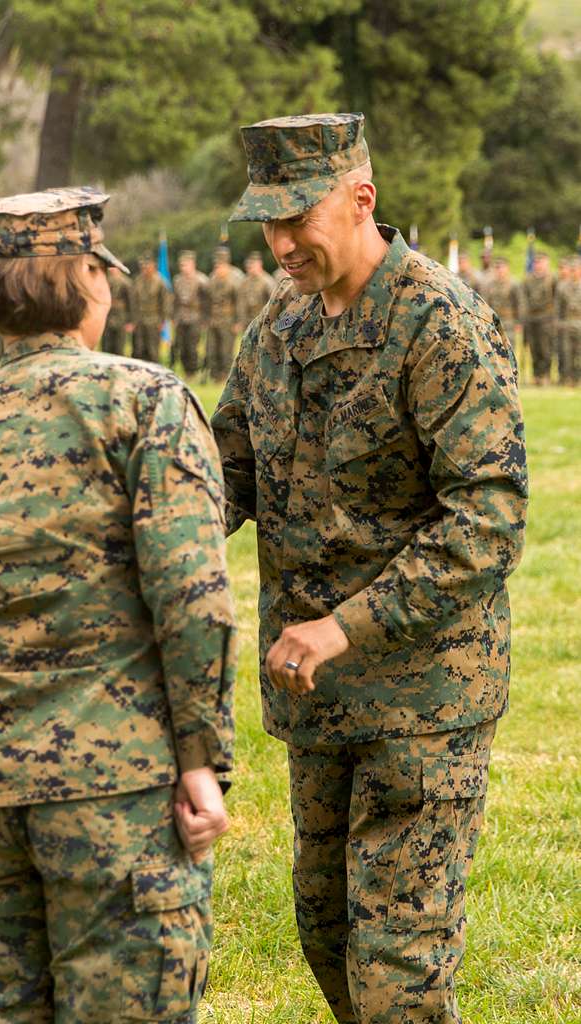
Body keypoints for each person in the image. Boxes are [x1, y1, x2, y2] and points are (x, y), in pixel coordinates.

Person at [211, 112, 528, 1024]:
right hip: (317, 698)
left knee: (397, 973)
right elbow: (228, 466)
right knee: (327, 936)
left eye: (295, 218)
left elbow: (489, 518)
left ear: (361, 199)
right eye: (264, 223)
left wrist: (345, 625)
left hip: (421, 698)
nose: (278, 244)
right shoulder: (279, 322)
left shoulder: (441, 323)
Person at [0, 186, 236, 1024]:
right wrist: (201, 760)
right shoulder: (146, 402)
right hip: (113, 793)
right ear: (87, 276)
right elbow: (192, 598)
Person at [172, 250, 209, 375]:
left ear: (193, 264)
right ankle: (185, 369)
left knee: (192, 346)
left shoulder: (201, 280)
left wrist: (205, 319)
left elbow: (206, 301)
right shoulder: (177, 280)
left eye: (186, 264)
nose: (183, 268)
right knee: (181, 346)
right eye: (181, 265)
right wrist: (174, 317)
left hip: (196, 317)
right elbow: (175, 300)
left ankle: (192, 370)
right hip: (181, 317)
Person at [521, 251, 556, 385]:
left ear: (547, 263)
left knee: (545, 348)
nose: (538, 265)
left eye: (541, 262)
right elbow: (524, 298)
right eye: (536, 262)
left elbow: (556, 298)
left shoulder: (552, 278)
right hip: (531, 318)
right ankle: (536, 375)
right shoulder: (528, 279)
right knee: (533, 348)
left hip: (546, 318)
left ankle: (545, 374)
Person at [205, 247, 240, 382]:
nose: (218, 266)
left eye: (221, 264)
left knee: (226, 350)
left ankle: (226, 375)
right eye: (217, 264)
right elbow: (208, 300)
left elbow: (239, 301)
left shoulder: (235, 278)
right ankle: (215, 375)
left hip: (228, 320)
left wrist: (238, 321)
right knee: (212, 349)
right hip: (214, 320)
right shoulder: (212, 278)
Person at [131, 252, 170, 363]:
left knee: (152, 349)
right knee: (138, 348)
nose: (145, 268)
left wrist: (163, 321)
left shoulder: (160, 282)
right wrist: (133, 320)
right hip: (140, 320)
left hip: (154, 319)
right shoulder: (138, 280)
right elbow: (134, 302)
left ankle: (154, 372)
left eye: (147, 266)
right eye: (143, 266)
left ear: (153, 266)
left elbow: (165, 302)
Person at [556, 255, 581, 386]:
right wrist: (559, 322)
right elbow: (558, 307)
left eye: (576, 269)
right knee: (567, 352)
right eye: (572, 270)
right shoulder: (562, 287)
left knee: (579, 352)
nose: (573, 272)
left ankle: (578, 378)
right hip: (567, 323)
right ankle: (567, 377)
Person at [237, 250, 275, 329]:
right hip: (248, 322)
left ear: (259, 264)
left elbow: (274, 303)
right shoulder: (244, 282)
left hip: (263, 322)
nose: (250, 269)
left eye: (253, 265)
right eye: (248, 266)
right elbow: (241, 303)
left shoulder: (267, 281)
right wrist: (241, 321)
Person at [102, 264, 133, 355]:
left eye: (114, 267)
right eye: (110, 267)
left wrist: (130, 321)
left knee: (119, 344)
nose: (112, 270)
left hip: (121, 317)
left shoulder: (126, 283)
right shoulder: (105, 281)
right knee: (107, 344)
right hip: (108, 316)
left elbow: (130, 303)